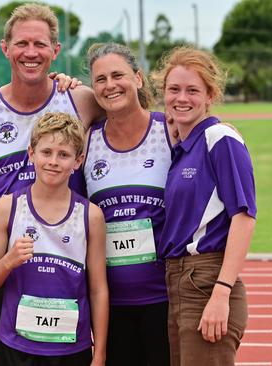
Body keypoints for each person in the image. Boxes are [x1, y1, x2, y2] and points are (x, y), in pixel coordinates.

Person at [0, 3, 103, 365]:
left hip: (64, 264)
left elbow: (133, 107)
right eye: (22, 44)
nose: (31, 53)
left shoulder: (80, 100)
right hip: (0, 261)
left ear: (56, 50)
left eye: (40, 44)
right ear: (5, 48)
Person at [152, 46, 257, 366]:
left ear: (210, 95)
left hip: (206, 280)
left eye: (192, 90)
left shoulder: (220, 138)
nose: (181, 98)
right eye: (174, 89)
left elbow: (244, 217)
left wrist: (221, 292)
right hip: (178, 281)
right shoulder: (182, 147)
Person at [0, 112, 108, 366]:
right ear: (31, 154)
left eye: (64, 155)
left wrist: (100, 353)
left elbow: (98, 289)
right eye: (46, 152)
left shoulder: (90, 216)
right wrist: (9, 261)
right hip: (17, 345)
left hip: (70, 348)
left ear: (78, 161)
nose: (53, 161)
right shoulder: (7, 208)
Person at [82, 42, 170, 365]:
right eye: (100, 80)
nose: (110, 85)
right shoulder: (88, 143)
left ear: (138, 78)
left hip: (165, 300)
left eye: (117, 75)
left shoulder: (169, 132)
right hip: (111, 306)